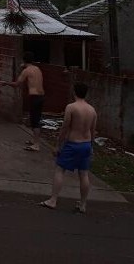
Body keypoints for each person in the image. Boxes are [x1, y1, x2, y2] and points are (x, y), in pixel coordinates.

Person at [39, 82, 97, 213]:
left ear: (74, 92)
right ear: (86, 93)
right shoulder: (92, 110)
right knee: (83, 174)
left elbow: (65, 127)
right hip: (86, 144)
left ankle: (53, 200)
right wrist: (91, 146)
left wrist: (58, 145)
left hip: (73, 143)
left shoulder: (71, 107)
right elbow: (93, 131)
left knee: (60, 170)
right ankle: (82, 204)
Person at [0, 51, 45, 151]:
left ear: (24, 61)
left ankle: (36, 145)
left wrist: (5, 83)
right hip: (41, 96)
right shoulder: (37, 69)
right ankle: (34, 140)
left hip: (35, 97)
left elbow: (17, 84)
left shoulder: (26, 71)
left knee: (35, 121)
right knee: (35, 119)